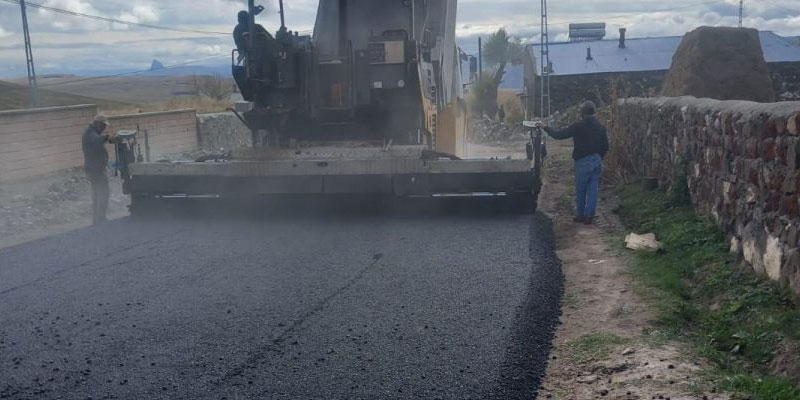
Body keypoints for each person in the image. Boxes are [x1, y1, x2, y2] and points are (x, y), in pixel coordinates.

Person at [540, 101, 609, 225]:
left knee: (581, 189)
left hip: (582, 161)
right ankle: (589, 216)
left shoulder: (578, 126)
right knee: (593, 189)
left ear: (582, 113)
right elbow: (606, 145)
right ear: (594, 112)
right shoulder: (600, 126)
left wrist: (545, 127)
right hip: (596, 160)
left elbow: (559, 135)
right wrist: (599, 157)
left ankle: (580, 215)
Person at [81, 115, 116, 225]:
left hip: (95, 168)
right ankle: (100, 219)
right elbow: (96, 140)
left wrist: (109, 139)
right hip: (95, 169)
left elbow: (99, 140)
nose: (104, 128)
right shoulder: (89, 133)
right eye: (103, 125)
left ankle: (97, 219)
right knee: (103, 192)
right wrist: (106, 138)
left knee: (97, 192)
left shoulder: (93, 133)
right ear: (97, 123)